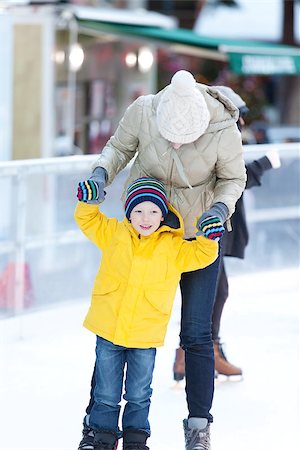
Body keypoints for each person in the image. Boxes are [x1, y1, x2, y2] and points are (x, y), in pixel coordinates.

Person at [77, 70, 246, 450]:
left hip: (200, 235)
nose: (173, 142)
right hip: (147, 231)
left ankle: (198, 426)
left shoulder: (222, 129)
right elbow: (119, 149)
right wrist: (100, 175)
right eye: (168, 135)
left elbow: (233, 179)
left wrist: (218, 209)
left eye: (182, 138)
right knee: (117, 325)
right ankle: (96, 427)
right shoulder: (144, 111)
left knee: (197, 334)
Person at [75, 176, 221, 450]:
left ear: (163, 215)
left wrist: (209, 236)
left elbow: (201, 255)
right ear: (128, 212)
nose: (146, 218)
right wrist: (88, 200)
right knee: (106, 392)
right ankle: (103, 436)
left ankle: (135, 439)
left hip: (145, 334)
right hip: (109, 328)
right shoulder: (115, 234)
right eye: (138, 211)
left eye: (154, 211)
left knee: (139, 393)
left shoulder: (173, 246)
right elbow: (89, 220)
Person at [172, 86, 281, 381]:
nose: (242, 123)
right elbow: (230, 179)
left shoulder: (219, 139)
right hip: (205, 228)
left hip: (212, 227)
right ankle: (198, 353)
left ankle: (191, 354)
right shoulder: (213, 140)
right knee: (212, 291)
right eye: (240, 116)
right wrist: (264, 164)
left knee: (215, 291)